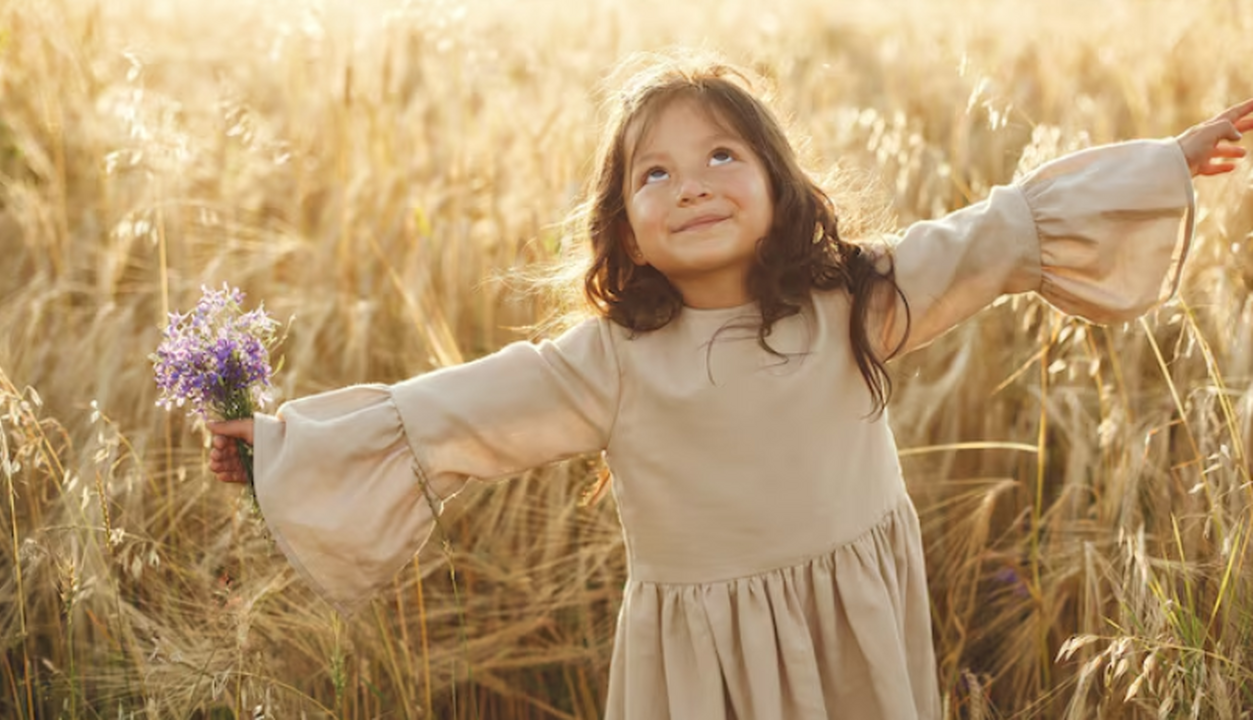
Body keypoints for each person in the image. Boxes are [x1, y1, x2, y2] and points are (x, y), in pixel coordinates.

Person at [206, 54, 1251, 719]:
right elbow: (446, 414)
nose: (691, 181)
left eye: (719, 154)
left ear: (780, 187)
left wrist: (1159, 163)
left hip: (852, 631)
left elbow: (997, 234)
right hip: (699, 668)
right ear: (620, 228)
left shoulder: (856, 297)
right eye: (652, 174)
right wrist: (279, 444)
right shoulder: (606, 361)